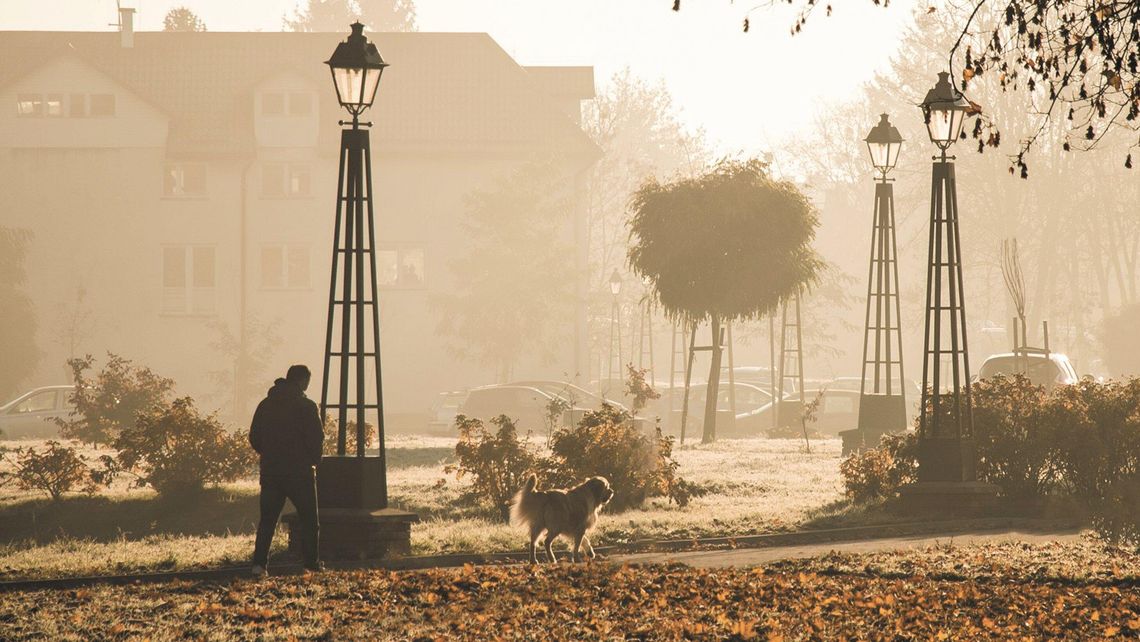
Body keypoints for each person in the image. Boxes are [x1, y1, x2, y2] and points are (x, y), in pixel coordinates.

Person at [249, 364, 324, 576]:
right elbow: (316, 438)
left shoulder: (265, 405)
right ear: (302, 381)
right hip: (299, 472)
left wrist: (269, 453)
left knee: (267, 521)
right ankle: (311, 564)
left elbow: (254, 436)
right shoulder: (306, 406)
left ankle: (259, 565)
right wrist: (313, 460)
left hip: (271, 472)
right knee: (309, 520)